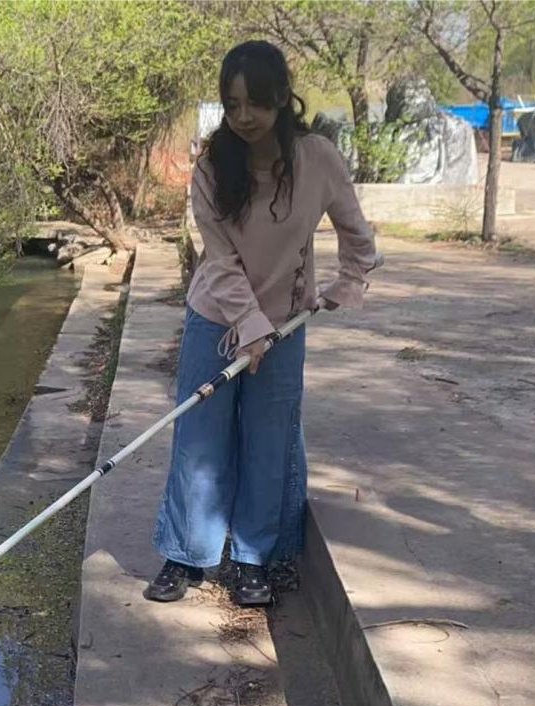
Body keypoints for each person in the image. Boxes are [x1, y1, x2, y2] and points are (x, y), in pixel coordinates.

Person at [146, 39, 378, 606]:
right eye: (232, 104)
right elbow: (220, 260)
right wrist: (247, 325)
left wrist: (350, 280)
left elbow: (356, 231)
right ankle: (186, 555)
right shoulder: (210, 167)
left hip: (286, 324)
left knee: (270, 441)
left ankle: (254, 559)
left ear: (282, 100)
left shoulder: (318, 158)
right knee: (200, 439)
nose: (244, 117)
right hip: (215, 319)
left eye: (257, 103)